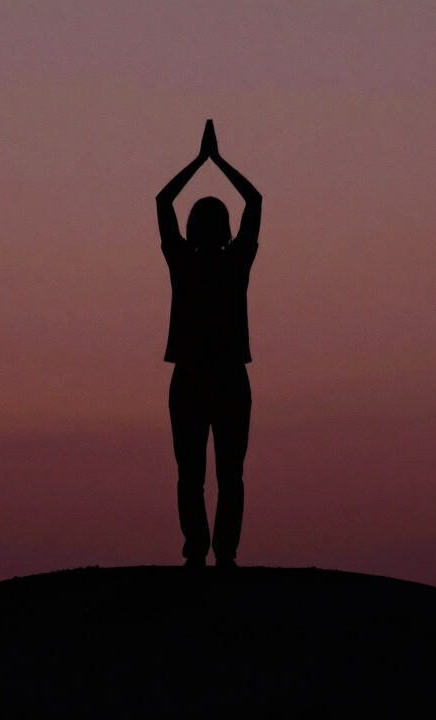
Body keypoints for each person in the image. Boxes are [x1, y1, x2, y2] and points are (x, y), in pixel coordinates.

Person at [155, 120, 262, 568]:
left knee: (205, 477)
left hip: (204, 378)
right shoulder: (227, 261)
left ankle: (210, 553)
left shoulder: (194, 262)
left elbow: (164, 201)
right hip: (213, 378)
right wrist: (212, 162)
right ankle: (213, 554)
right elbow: (253, 201)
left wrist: (205, 162)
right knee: (214, 476)